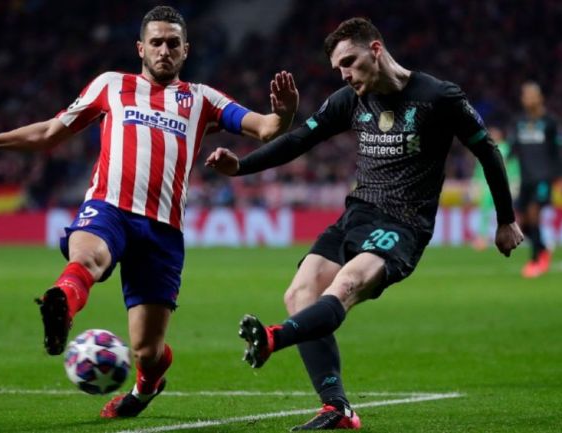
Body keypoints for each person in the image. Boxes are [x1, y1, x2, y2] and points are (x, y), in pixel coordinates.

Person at [0, 5, 298, 419]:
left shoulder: (203, 99)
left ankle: (147, 385)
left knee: (147, 351)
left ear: (186, 50)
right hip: (109, 208)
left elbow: (266, 128)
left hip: (162, 231)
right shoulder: (111, 85)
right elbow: (50, 131)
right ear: (141, 47)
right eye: (156, 42)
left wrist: (285, 112)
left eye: (174, 43)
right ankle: (61, 306)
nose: (164, 50)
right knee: (87, 259)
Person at [206, 17, 523, 430]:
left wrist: (505, 220)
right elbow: (301, 139)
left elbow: (488, 151)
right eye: (340, 68)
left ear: (376, 49)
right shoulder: (348, 100)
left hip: (404, 223)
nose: (346, 75)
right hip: (356, 215)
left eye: (351, 62)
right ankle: (336, 407)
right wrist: (241, 167)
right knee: (299, 293)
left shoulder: (438, 97)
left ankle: (274, 338)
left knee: (347, 285)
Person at [510, 81, 562, 278]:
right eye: (524, 95)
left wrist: (561, 178)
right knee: (523, 224)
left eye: (531, 95)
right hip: (525, 179)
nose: (527, 99)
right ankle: (543, 247)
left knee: (534, 214)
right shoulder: (519, 122)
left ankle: (534, 262)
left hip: (543, 177)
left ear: (540, 98)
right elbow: (512, 148)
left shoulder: (550, 122)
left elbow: (557, 151)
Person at [470, 126, 520, 250]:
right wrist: (476, 182)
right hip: (486, 187)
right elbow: (479, 169)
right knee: (485, 211)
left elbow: (513, 165)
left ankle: (513, 234)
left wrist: (515, 181)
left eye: (494, 133)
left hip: (504, 185)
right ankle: (483, 237)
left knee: (508, 211)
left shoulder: (507, 149)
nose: (492, 135)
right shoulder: (485, 147)